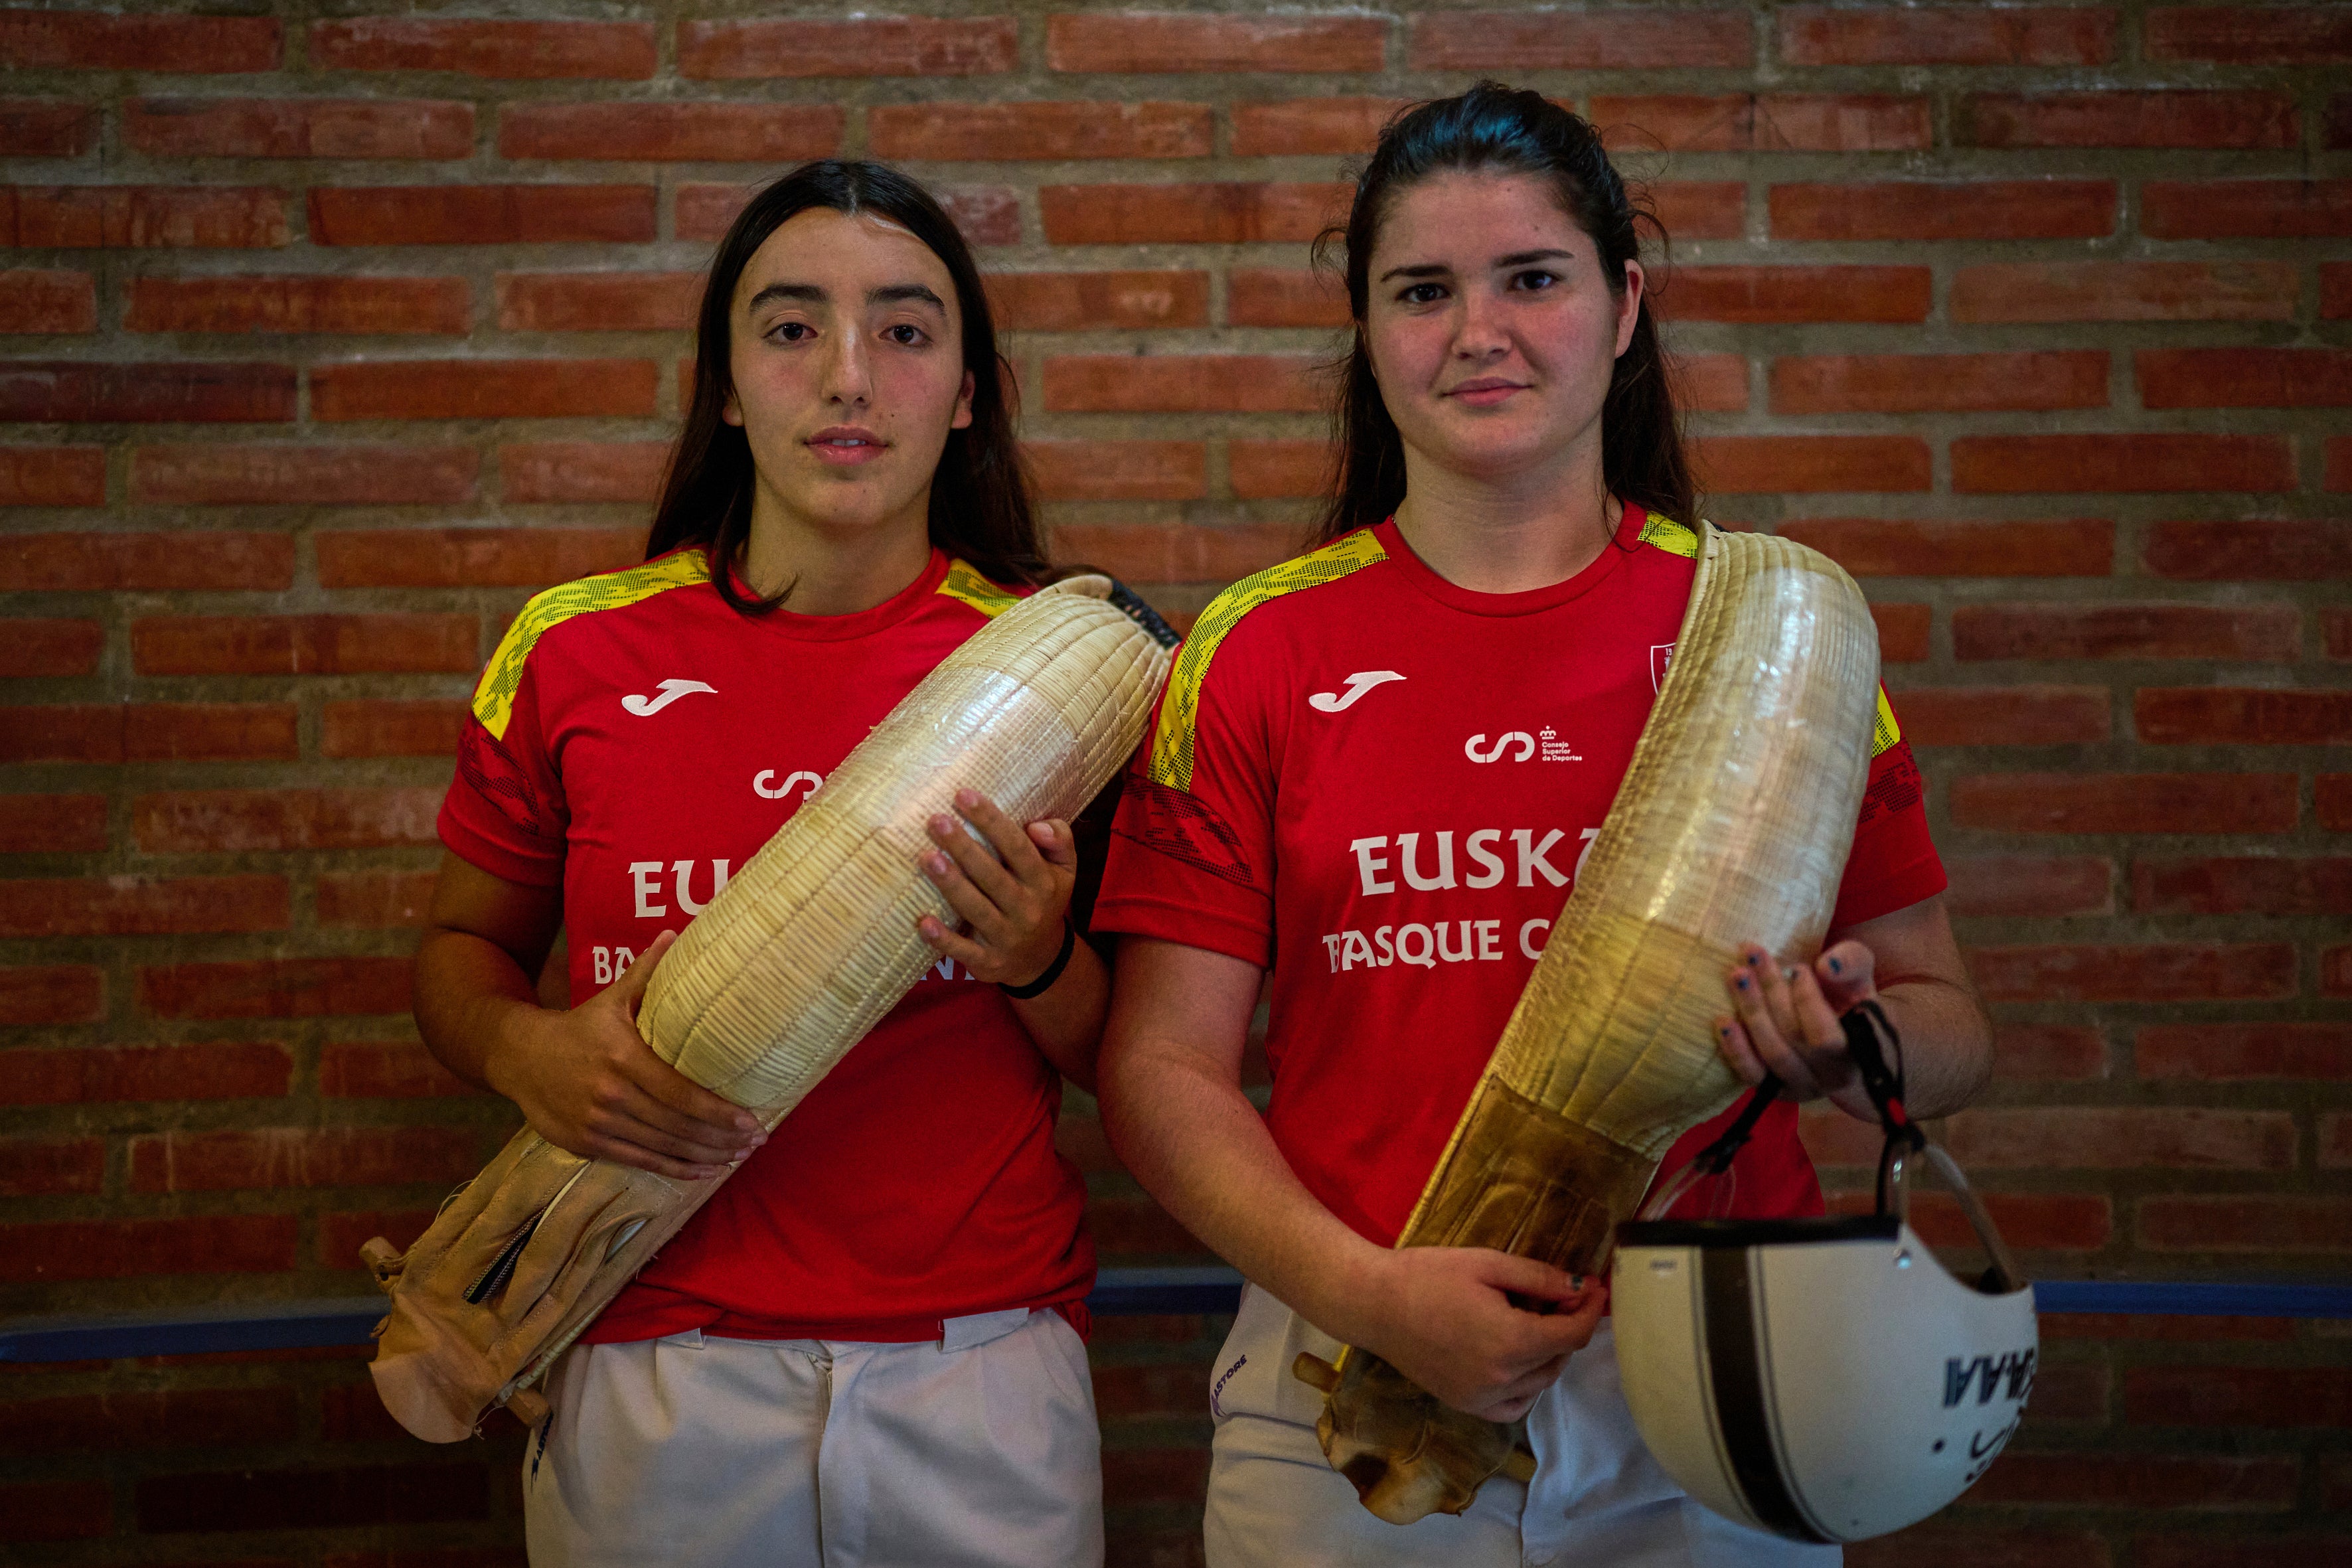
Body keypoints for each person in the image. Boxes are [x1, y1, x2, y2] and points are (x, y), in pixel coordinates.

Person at [1092, 84, 1992, 1568]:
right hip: (1352, 1384)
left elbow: (1951, 1020)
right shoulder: (1255, 651)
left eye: (1531, 278)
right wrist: (1370, 1293)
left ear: (1623, 304)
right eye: (1421, 291)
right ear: (1366, 329)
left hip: (1715, 1383)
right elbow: (1158, 1070)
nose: (1477, 331)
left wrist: (1854, 1048)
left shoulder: (1770, 635)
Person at [412, 161, 1111, 1568]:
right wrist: (523, 1049)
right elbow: (455, 956)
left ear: (967, 389)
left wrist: (1034, 955)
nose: (847, 377)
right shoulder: (576, 649)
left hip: (974, 1369)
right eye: (790, 329)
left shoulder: (1060, 673)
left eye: (905, 331)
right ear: (725, 385)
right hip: (647, 1356)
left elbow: (1126, 1050)